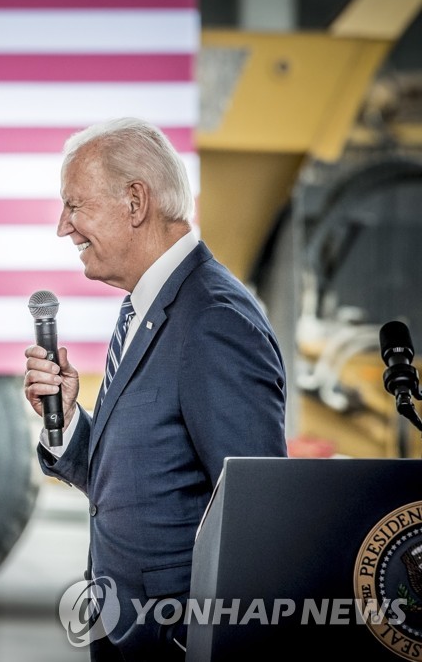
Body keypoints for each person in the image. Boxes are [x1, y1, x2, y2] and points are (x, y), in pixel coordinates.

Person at [23, 117, 287, 661]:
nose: (63, 228)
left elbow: (259, 515)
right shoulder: (146, 306)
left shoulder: (214, 320)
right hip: (124, 630)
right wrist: (69, 421)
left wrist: (197, 643)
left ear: (135, 202)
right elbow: (144, 478)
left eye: (75, 206)